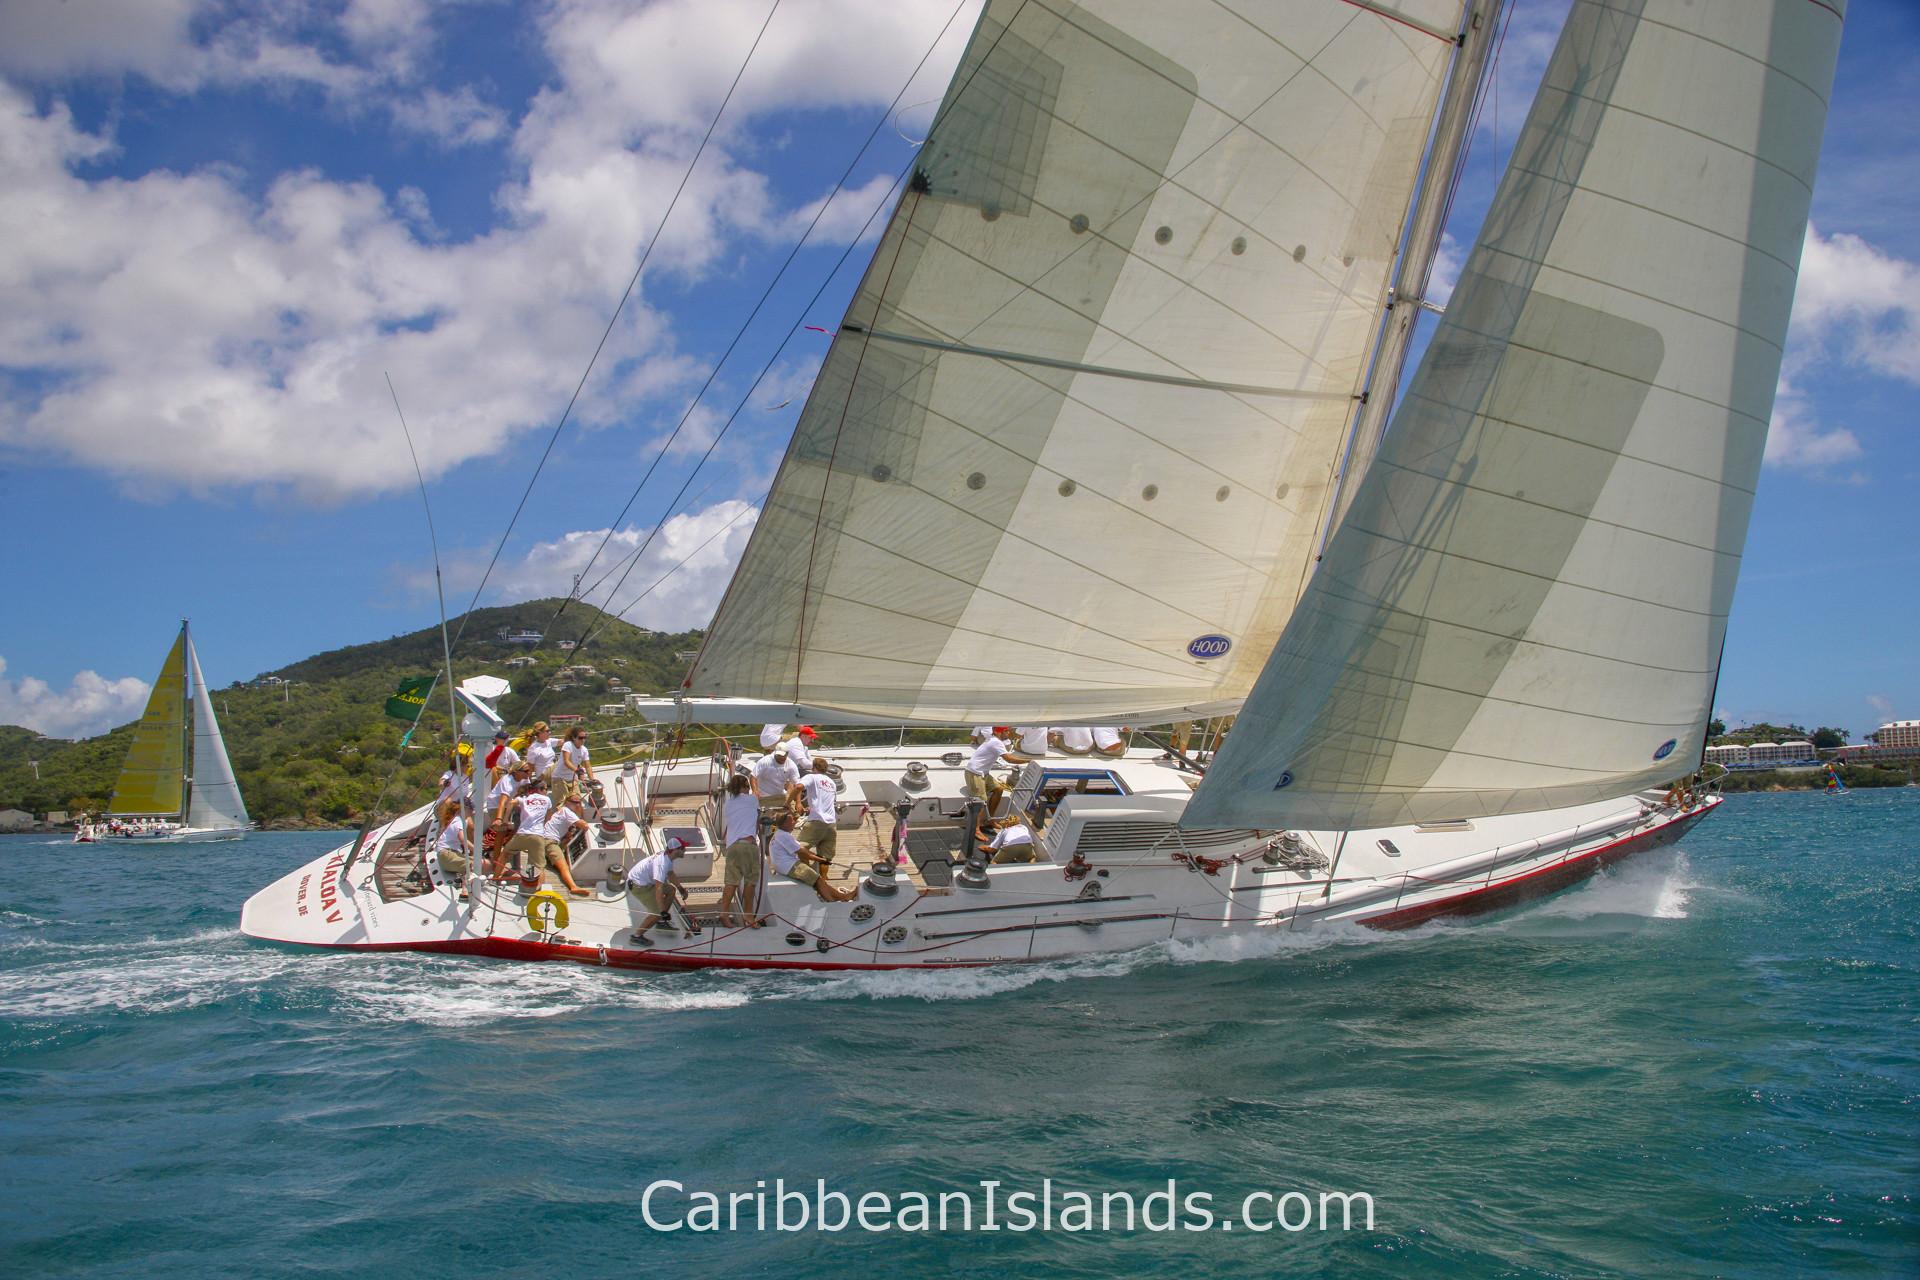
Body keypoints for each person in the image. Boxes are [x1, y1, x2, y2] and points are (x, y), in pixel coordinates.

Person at [767, 811, 851, 902]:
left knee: (816, 880)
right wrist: (822, 860)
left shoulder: (779, 834)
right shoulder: (784, 836)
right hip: (788, 866)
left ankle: (840, 897)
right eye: (791, 821)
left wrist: (819, 858)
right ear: (784, 824)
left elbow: (801, 848)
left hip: (783, 865)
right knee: (817, 879)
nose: (794, 823)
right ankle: (834, 901)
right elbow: (803, 852)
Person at [717, 774, 764, 927]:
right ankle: (749, 917)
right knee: (750, 882)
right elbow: (758, 815)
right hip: (748, 845)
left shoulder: (728, 804)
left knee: (731, 882)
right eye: (748, 787)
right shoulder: (752, 799)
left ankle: (724, 913)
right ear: (745, 788)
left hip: (732, 847)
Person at [627, 835, 690, 941]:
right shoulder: (662, 864)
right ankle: (636, 936)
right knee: (656, 912)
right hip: (638, 886)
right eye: (682, 848)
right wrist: (662, 911)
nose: (685, 850)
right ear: (675, 850)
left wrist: (680, 888)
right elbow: (658, 890)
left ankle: (660, 921)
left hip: (646, 882)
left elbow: (670, 873)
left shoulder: (668, 857)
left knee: (671, 890)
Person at [535, 788, 594, 898]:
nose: (577, 804)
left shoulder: (563, 810)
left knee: (567, 838)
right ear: (567, 802)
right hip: (549, 841)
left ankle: (549, 857)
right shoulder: (567, 811)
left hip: (546, 839)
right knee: (564, 866)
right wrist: (580, 810)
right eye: (574, 802)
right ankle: (573, 887)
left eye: (579, 802)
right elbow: (584, 825)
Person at [500, 778, 556, 882]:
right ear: (540, 790)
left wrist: (505, 819)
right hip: (537, 836)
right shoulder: (547, 800)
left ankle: (495, 877)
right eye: (546, 789)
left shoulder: (524, 798)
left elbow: (511, 803)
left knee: (504, 854)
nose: (546, 791)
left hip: (521, 835)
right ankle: (540, 890)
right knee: (539, 868)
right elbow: (548, 819)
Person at [794, 756, 839, 867]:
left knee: (799, 848)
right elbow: (829, 802)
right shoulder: (832, 783)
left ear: (813, 768)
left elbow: (798, 786)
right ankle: (822, 880)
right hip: (831, 824)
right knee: (826, 858)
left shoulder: (811, 777)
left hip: (817, 821)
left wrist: (797, 803)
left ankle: (809, 873)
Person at [753, 745, 801, 813]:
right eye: (778, 755)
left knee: (792, 814)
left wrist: (798, 802)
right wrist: (755, 791)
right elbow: (753, 776)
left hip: (780, 796)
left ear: (787, 754)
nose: (780, 757)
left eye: (783, 755)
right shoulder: (765, 761)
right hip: (764, 797)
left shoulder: (791, 766)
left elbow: (798, 785)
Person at [433, 797, 471, 880]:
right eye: (471, 809)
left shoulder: (453, 819)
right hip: (447, 854)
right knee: (477, 864)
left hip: (445, 855)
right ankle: (465, 887)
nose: (472, 812)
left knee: (474, 862)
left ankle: (465, 887)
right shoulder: (458, 821)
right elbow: (462, 839)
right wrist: (476, 849)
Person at [489, 760, 533, 825]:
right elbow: (502, 801)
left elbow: (526, 792)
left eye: (529, 770)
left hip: (507, 803)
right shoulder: (508, 782)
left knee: (509, 828)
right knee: (501, 829)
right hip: (495, 805)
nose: (529, 773)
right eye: (526, 771)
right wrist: (499, 819)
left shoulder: (525, 778)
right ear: (516, 772)